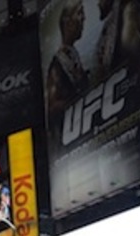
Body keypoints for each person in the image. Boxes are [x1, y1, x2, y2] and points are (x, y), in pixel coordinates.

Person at [45, 0, 88, 148]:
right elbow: (52, 108)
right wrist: (77, 100)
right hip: (69, 143)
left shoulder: (72, 54)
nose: (83, 18)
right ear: (67, 22)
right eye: (79, 13)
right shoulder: (58, 65)